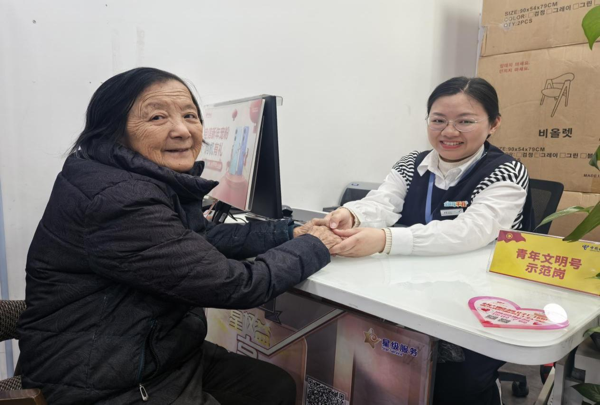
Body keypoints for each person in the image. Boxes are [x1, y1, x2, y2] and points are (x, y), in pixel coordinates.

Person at [17, 67, 341, 405]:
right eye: (157, 117)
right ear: (115, 131)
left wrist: (290, 232)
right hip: (102, 381)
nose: (183, 130)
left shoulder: (127, 176)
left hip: (146, 352)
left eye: (189, 115)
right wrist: (316, 244)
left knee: (272, 386)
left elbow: (193, 238)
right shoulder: (119, 198)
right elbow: (235, 285)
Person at [323, 77, 534, 404]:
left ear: (494, 124)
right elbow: (384, 201)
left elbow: (469, 232)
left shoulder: (505, 172)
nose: (449, 131)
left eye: (465, 121)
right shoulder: (412, 163)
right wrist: (352, 214)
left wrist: (383, 239)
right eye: (438, 120)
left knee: (458, 388)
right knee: (388, 371)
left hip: (473, 303)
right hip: (412, 290)